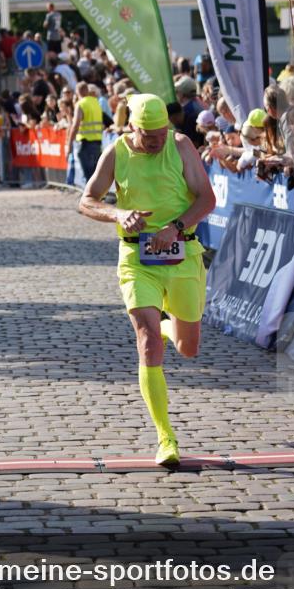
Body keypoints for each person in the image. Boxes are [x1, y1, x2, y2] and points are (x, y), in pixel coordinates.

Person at [79, 93, 216, 466]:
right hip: (136, 258)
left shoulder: (181, 145)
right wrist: (117, 213)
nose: (156, 140)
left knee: (188, 348)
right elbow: (87, 200)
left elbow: (207, 199)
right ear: (131, 127)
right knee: (147, 338)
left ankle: (172, 327)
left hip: (182, 253)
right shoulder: (116, 153)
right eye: (148, 134)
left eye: (161, 132)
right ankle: (165, 437)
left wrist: (175, 227)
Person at [66, 82, 104, 183]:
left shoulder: (81, 104)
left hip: (86, 142)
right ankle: (99, 195)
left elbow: (75, 125)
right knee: (96, 172)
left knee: (89, 175)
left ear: (77, 92)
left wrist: (69, 144)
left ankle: (91, 196)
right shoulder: (96, 102)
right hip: (97, 141)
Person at [174, 76, 205, 146]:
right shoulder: (198, 101)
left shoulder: (187, 109)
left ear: (182, 93)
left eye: (178, 92)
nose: (177, 94)